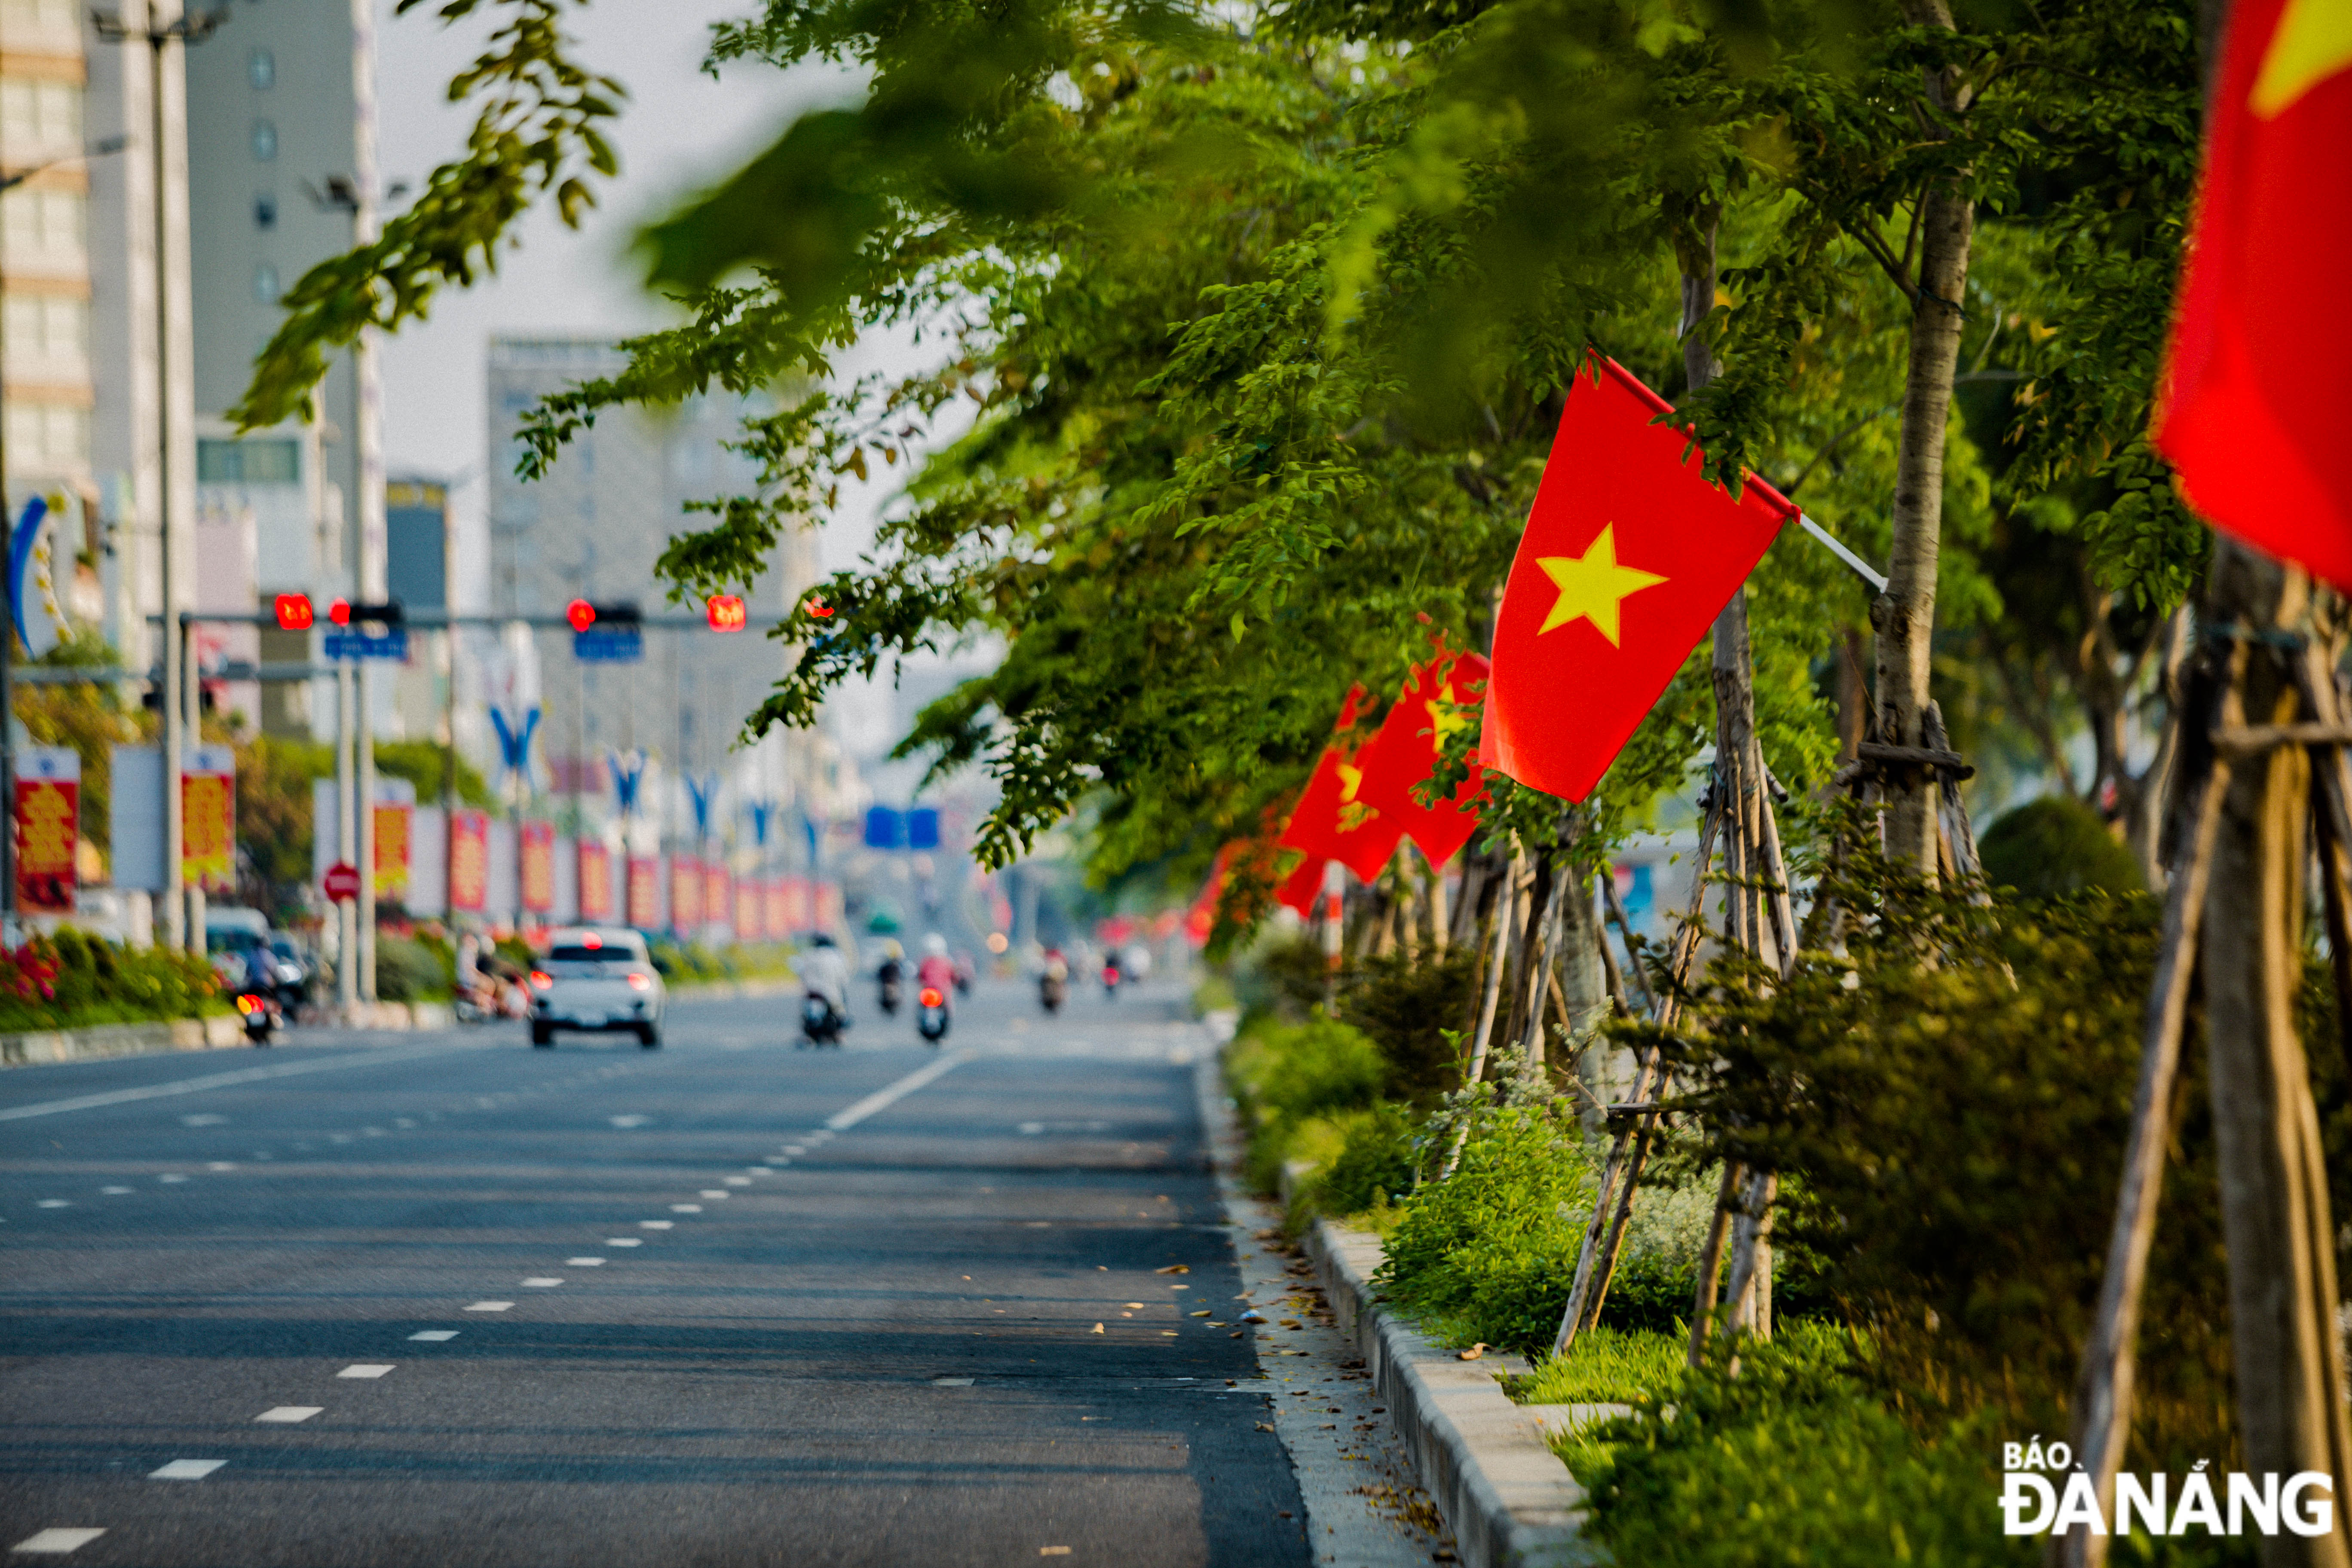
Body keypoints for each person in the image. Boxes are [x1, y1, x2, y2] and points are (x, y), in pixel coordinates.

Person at [801, 933, 851, 1016]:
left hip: (813, 991)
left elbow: (802, 973)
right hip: (830, 992)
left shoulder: (808, 955)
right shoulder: (835, 956)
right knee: (840, 1013)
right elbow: (842, 976)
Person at [916, 933, 956, 999]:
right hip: (941, 991)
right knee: (949, 1004)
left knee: (920, 1001)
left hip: (929, 990)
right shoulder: (947, 962)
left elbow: (920, 976)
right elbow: (954, 976)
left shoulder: (925, 961)